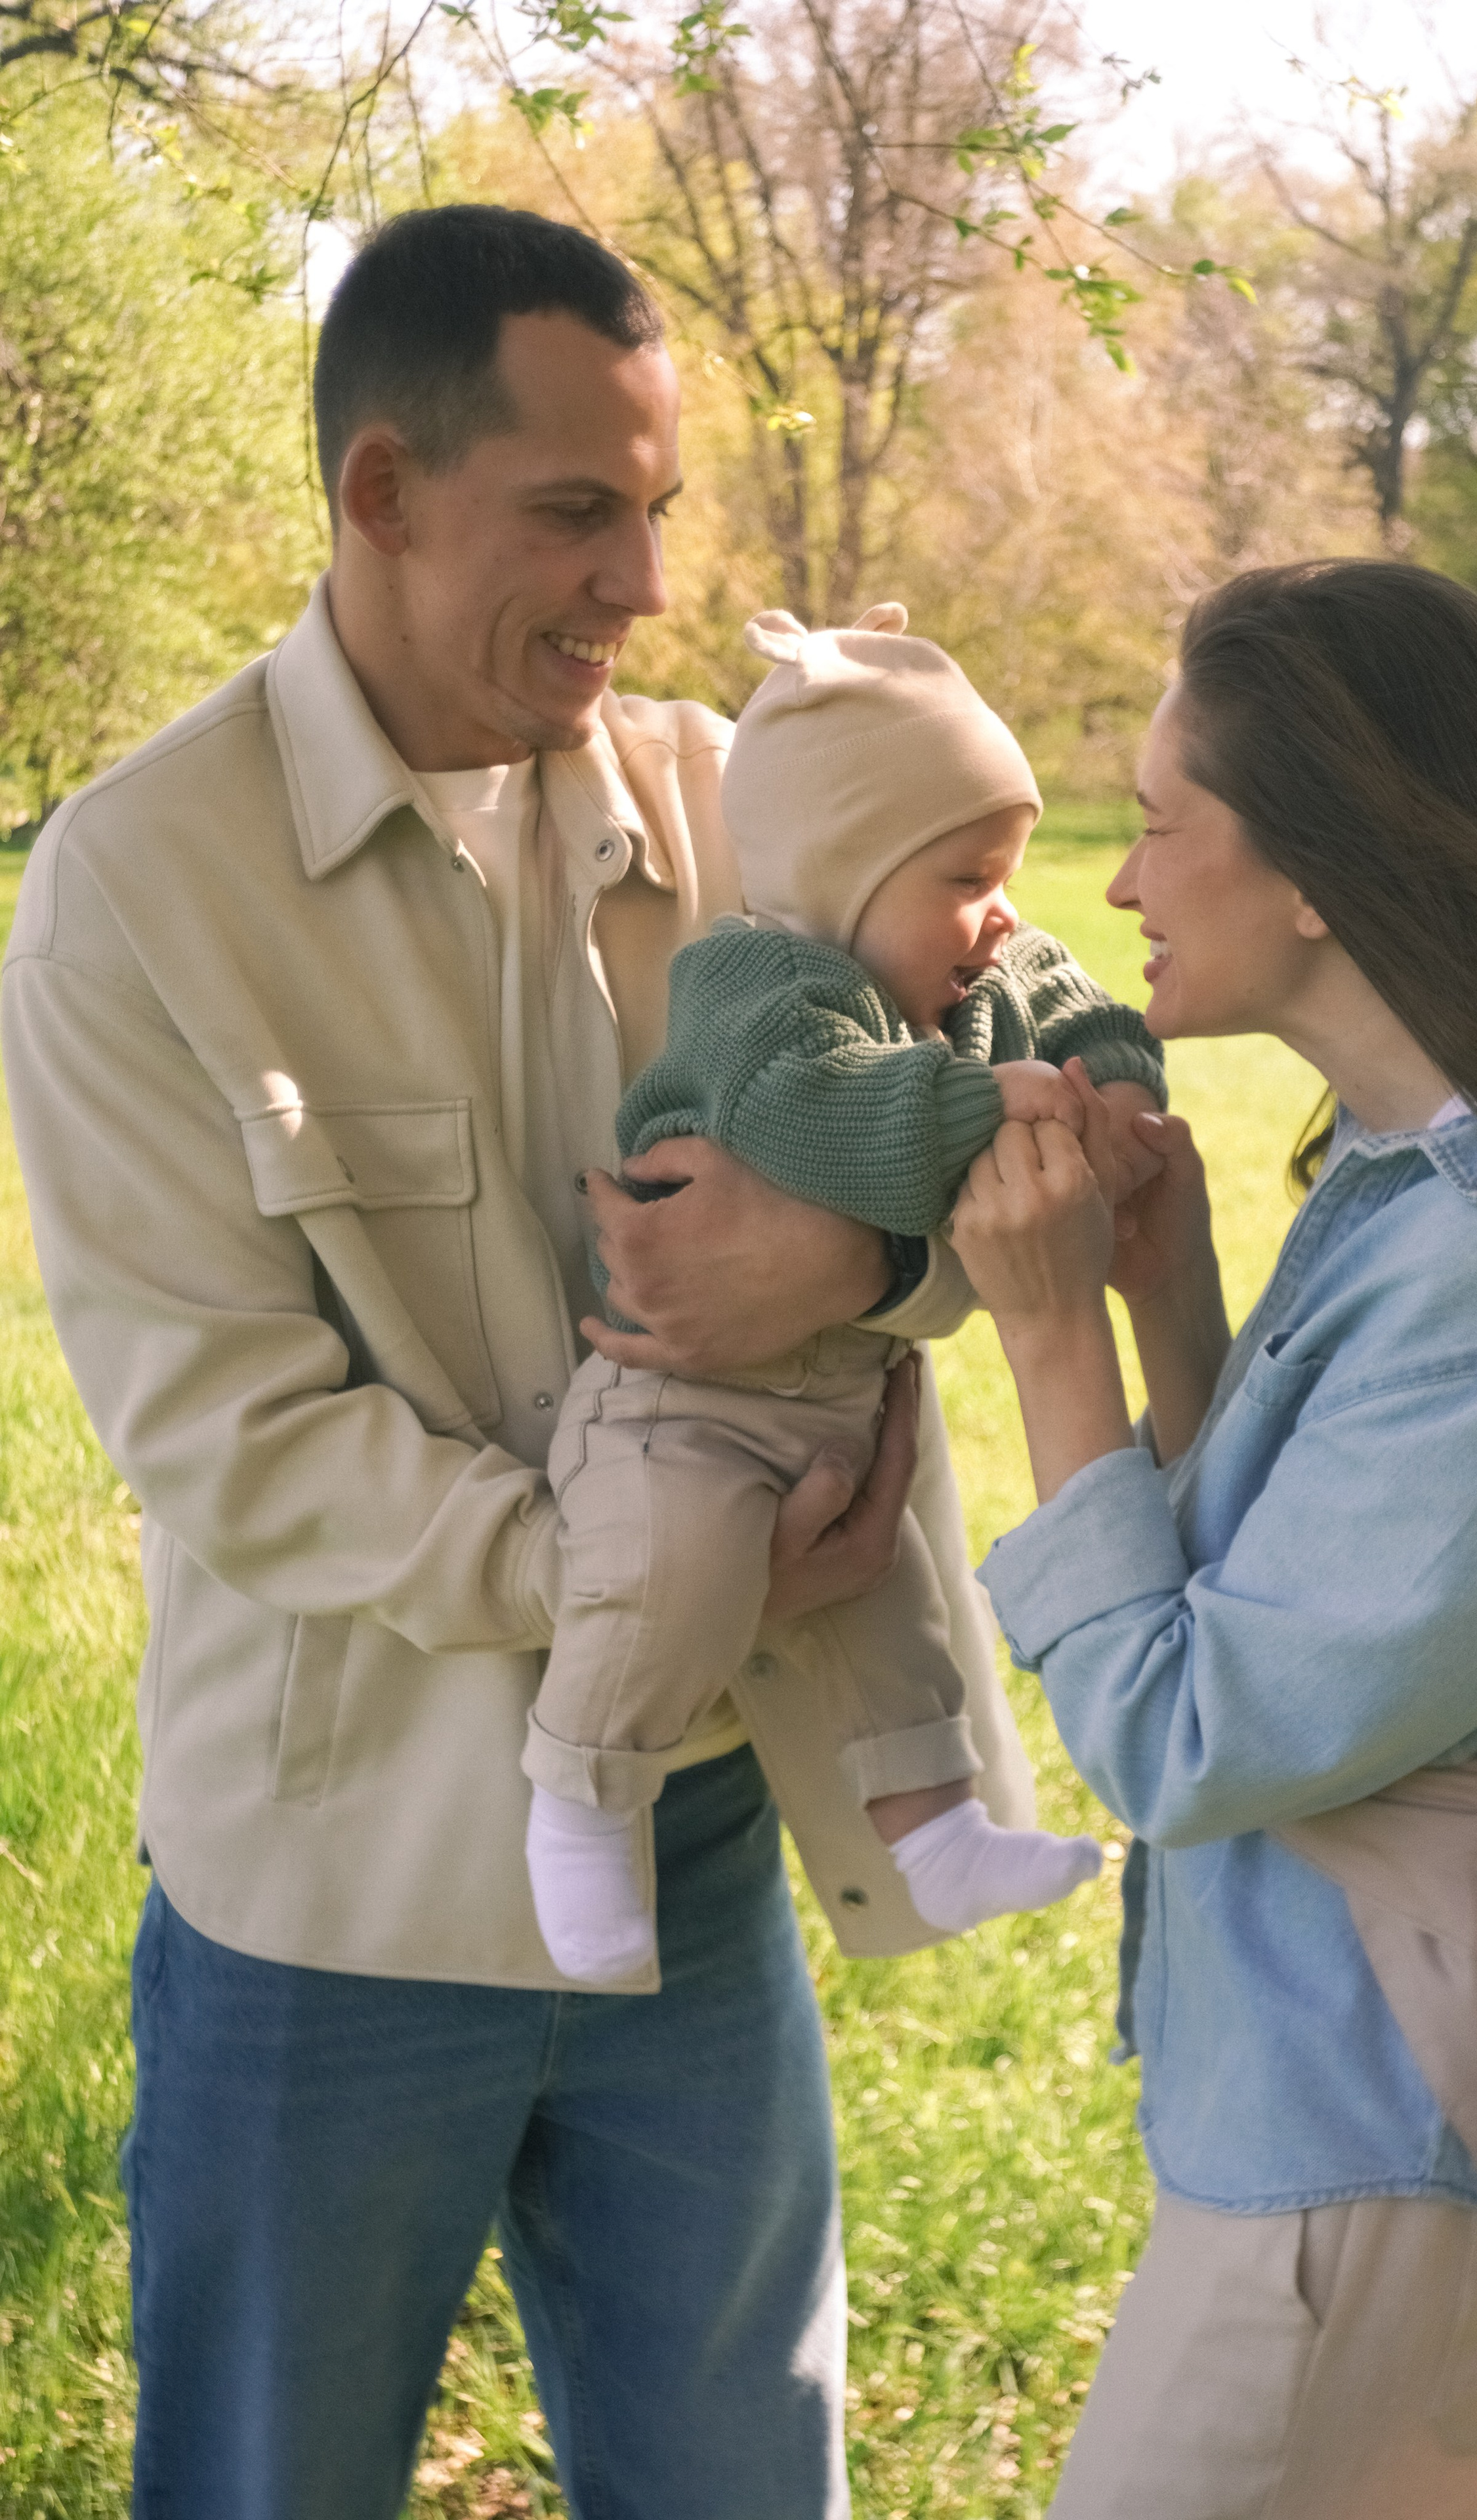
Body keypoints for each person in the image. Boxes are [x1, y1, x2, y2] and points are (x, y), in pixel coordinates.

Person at [0, 204, 1037, 2520]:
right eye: (578, 512)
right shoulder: (135, 884)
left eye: (656, 506)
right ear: (381, 490)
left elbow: (1000, 1131)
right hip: (334, 1915)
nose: (642, 584)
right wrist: (649, 1573)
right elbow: (231, 1440)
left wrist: (848, 1253)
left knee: (748, 2487)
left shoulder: (740, 794)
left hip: (703, 1847)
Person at [949, 558, 1477, 2519]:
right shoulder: (1419, 1179)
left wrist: (1049, 1341)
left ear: (1317, 869)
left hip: (1384, 2146)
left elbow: (1191, 1734)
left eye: (1160, 823)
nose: (1119, 884)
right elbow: (1301, 1594)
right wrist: (1168, 1295)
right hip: (1384, 2105)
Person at [524, 598, 1168, 1983]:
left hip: (833, 1399)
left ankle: (936, 1829)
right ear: (838, 874)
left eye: (1007, 868)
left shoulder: (972, 973)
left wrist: (1112, 1087)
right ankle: (580, 1799)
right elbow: (820, 1117)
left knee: (886, 1615)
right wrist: (997, 1099)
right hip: (682, 1409)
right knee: (668, 1571)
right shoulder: (756, 983)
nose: (1005, 911)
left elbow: (1078, 1001)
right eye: (968, 875)